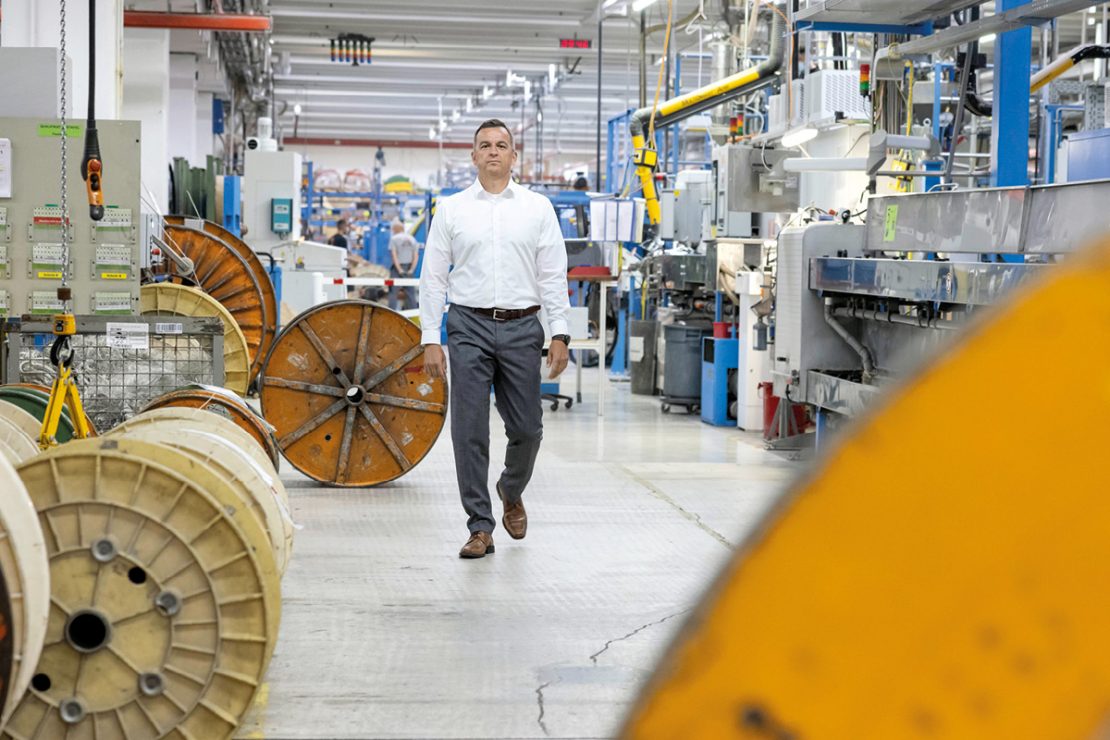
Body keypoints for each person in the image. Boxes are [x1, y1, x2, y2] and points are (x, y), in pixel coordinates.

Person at [420, 118, 571, 559]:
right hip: (468, 325)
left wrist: (559, 331)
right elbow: (433, 278)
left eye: (501, 145)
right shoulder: (451, 210)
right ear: (473, 156)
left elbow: (553, 275)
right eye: (484, 145)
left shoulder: (537, 208)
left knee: (527, 428)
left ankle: (510, 487)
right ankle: (479, 527)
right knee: (468, 429)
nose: (492, 151)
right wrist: (432, 336)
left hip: (524, 326)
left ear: (512, 155)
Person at [388, 218, 420, 310]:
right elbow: (416, 256)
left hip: (397, 269)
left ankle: (391, 315)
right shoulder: (412, 239)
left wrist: (399, 270)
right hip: (409, 267)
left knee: (393, 294)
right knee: (410, 295)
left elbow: (394, 256)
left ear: (395, 229)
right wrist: (411, 270)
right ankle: (414, 318)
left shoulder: (394, 239)